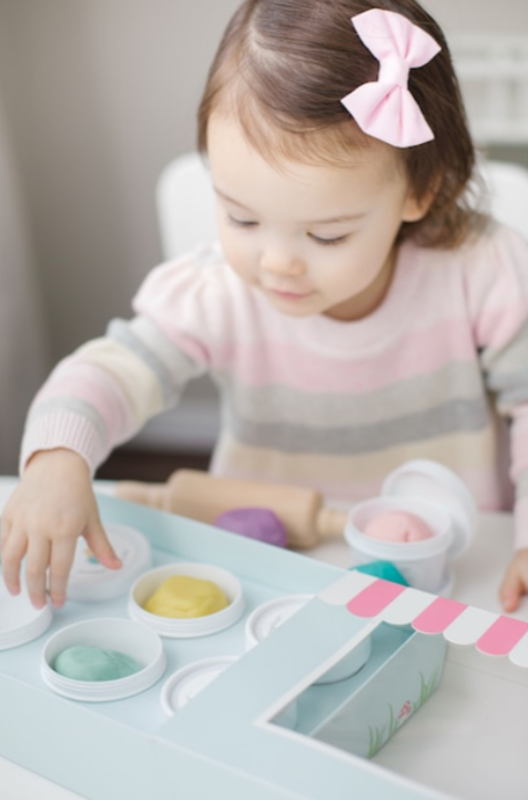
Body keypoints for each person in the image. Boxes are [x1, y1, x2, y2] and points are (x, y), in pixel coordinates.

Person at [2, 0, 527, 613]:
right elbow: (112, 368)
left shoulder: (480, 272)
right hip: (268, 569)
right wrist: (56, 457)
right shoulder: (219, 290)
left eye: (326, 235)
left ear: (419, 190)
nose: (276, 263)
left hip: (452, 568)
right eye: (240, 217)